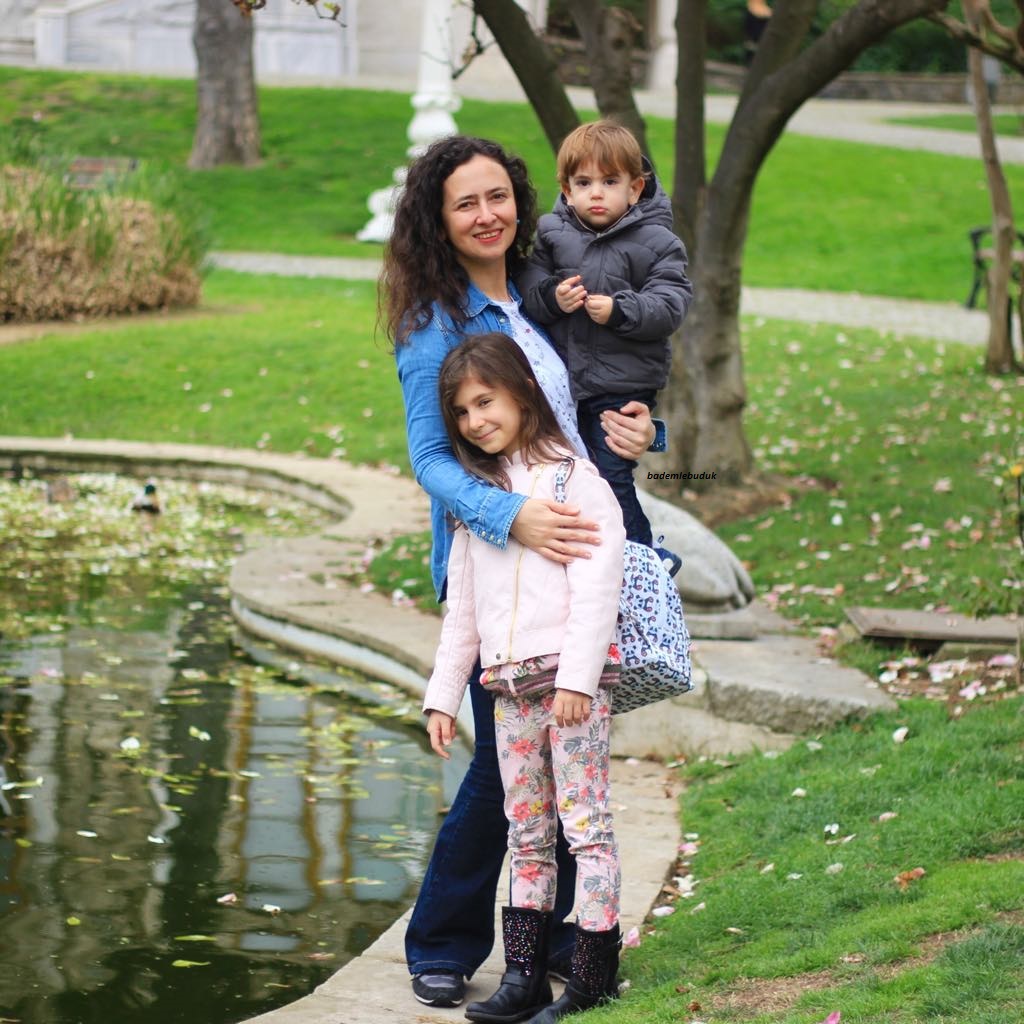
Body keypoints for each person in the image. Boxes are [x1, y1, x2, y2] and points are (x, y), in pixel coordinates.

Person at [382, 134, 659, 1009]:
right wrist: (514, 517)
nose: (487, 214)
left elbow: (587, 402)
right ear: (437, 220)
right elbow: (433, 459)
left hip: (578, 557)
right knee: (505, 771)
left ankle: (568, 943)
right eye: (465, 203)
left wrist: (644, 434)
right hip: (496, 568)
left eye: (498, 195)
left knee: (565, 759)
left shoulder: (544, 295)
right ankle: (443, 941)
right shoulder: (435, 325)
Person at [425, 332, 625, 1024]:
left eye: (486, 401)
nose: (475, 421)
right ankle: (524, 979)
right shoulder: (478, 502)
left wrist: (579, 679)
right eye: (461, 412)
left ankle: (593, 979)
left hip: (570, 691)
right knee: (527, 834)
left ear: (523, 391)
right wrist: (442, 697)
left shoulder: (577, 481)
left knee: (586, 829)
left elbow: (598, 589)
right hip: (507, 692)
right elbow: (462, 614)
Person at [517, 120, 691, 562]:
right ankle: (596, 563)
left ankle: (643, 559)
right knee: (574, 478)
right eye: (584, 183)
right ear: (566, 189)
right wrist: (553, 298)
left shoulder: (658, 241)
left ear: (635, 189)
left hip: (621, 386)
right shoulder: (551, 234)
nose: (596, 193)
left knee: (611, 476)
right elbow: (530, 287)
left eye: (610, 182)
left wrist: (620, 310)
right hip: (566, 382)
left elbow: (671, 304)